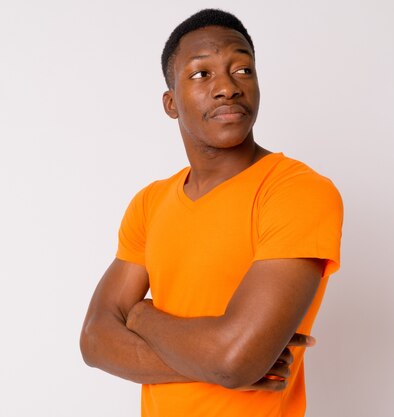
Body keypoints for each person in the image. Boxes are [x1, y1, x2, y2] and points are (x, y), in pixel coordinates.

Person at [79, 8, 343, 417]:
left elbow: (234, 359)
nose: (227, 88)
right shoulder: (150, 203)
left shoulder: (296, 190)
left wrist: (142, 315)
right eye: (202, 74)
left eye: (242, 70)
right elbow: (95, 342)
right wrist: (220, 364)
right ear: (171, 103)